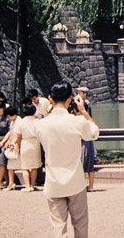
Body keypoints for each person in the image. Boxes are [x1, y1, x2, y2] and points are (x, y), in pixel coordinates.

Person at [35, 81, 99, 238]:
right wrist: (83, 111)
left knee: (58, 227)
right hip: (75, 181)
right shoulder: (77, 122)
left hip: (53, 182)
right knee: (80, 225)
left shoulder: (40, 125)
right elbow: (94, 133)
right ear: (70, 99)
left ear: (50, 99)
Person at [14, 99, 42, 192]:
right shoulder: (37, 121)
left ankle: (27, 186)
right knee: (34, 166)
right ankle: (32, 185)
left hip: (25, 142)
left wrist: (17, 145)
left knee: (25, 166)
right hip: (35, 142)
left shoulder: (21, 122)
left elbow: (18, 136)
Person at [77, 87, 95, 192]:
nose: (78, 94)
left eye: (80, 93)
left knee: (84, 161)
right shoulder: (82, 103)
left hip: (85, 136)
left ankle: (87, 185)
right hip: (86, 135)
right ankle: (86, 185)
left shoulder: (85, 104)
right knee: (86, 162)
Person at [4, 106, 21, 191]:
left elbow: (18, 136)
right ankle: (11, 183)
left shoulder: (19, 121)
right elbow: (11, 133)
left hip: (18, 145)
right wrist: (8, 142)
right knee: (10, 166)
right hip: (13, 144)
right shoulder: (12, 122)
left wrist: (13, 144)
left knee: (24, 166)